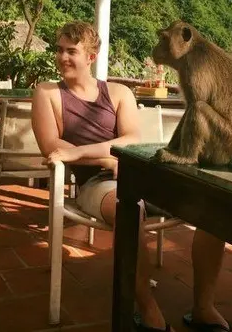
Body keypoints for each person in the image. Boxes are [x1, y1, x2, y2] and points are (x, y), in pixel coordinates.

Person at [31, 21, 171, 331]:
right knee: (128, 211)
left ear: (91, 57)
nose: (62, 57)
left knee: (212, 206)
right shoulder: (47, 93)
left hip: (140, 174)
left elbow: (132, 139)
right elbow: (52, 146)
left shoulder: (119, 92)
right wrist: (109, 160)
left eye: (71, 51)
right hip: (98, 183)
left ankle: (204, 307)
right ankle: (148, 308)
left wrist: (81, 151)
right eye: (59, 50)